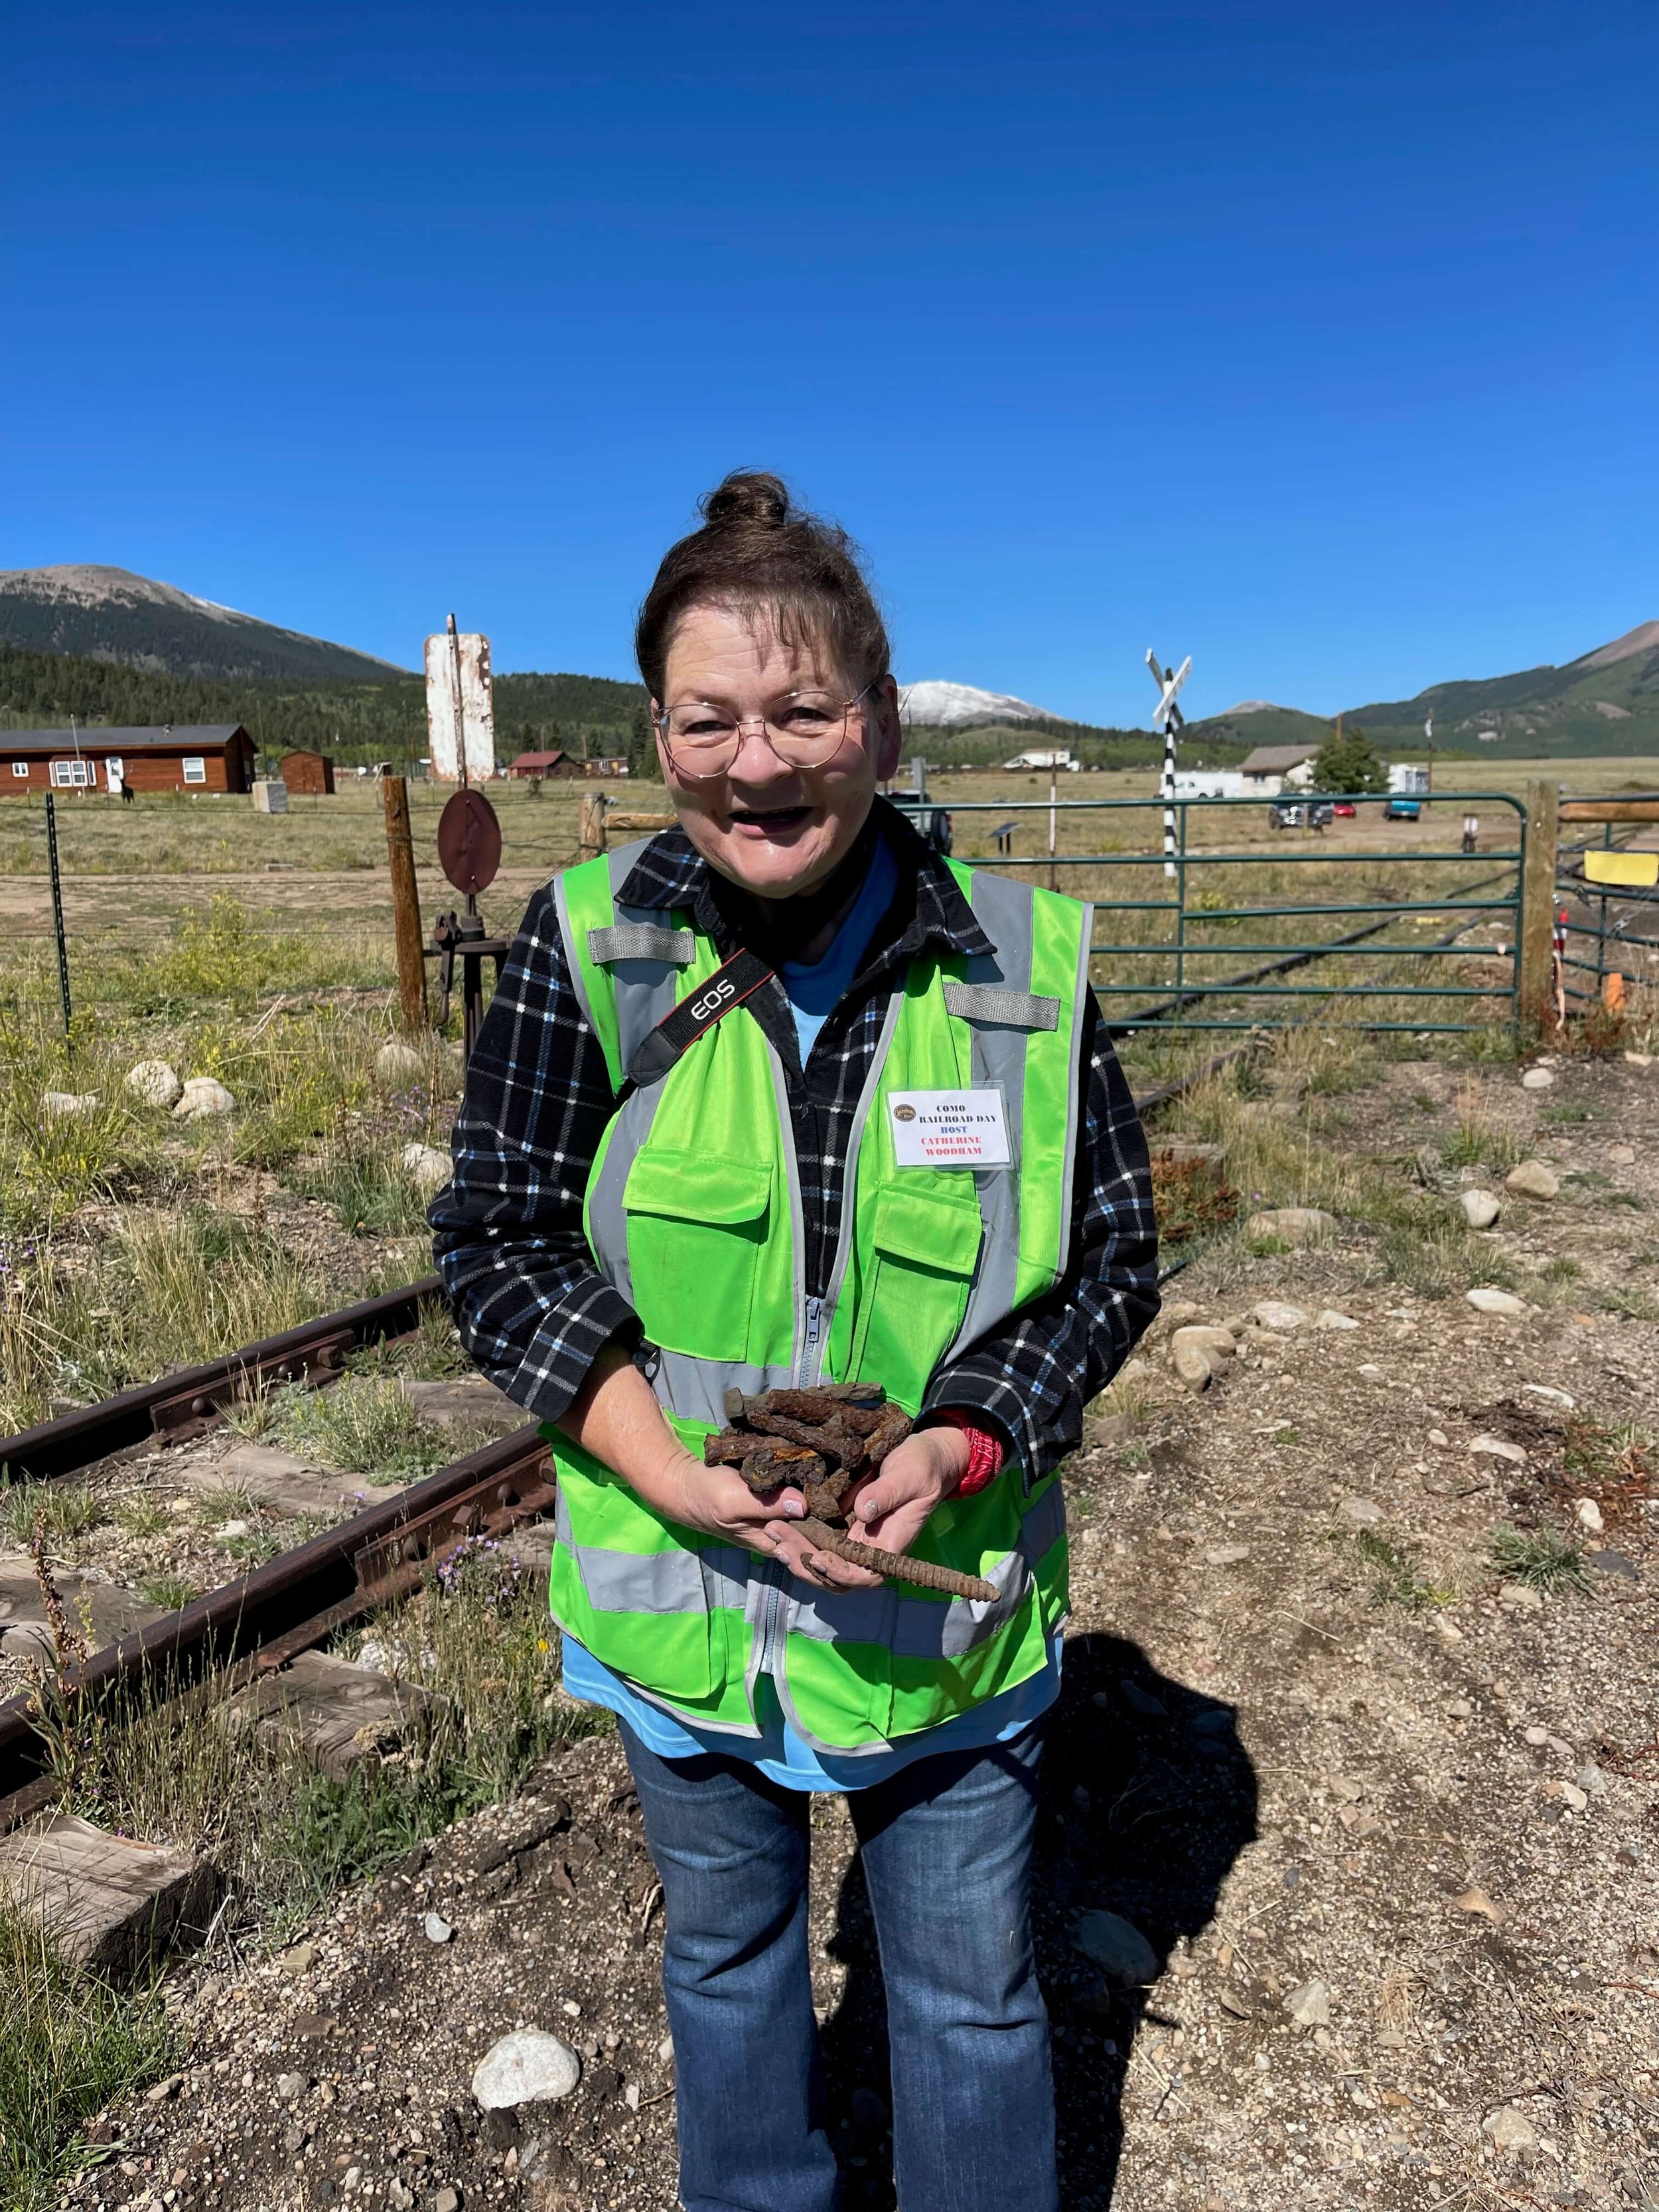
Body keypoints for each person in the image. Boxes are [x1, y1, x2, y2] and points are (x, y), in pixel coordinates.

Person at [432, 472, 1158, 2212]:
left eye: (803, 712)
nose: (758, 764)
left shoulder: (1023, 966)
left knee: (970, 2009)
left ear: (882, 723)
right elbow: (497, 1239)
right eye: (710, 722)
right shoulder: (590, 948)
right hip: (677, 1632)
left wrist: (963, 1436)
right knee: (732, 1975)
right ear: (658, 737)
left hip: (941, 1629)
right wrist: (657, 1465)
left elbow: (1112, 1252)